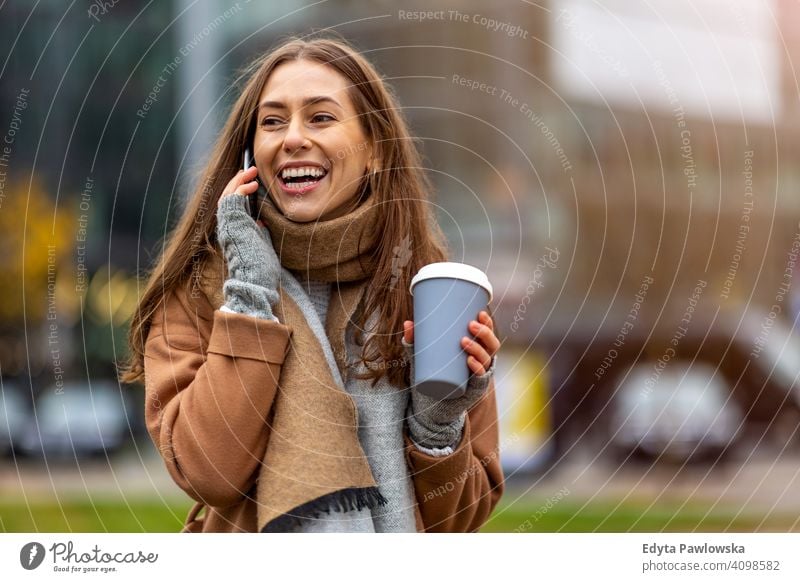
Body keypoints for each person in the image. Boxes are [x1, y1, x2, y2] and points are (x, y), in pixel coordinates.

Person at [121, 35, 503, 533]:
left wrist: (437, 423)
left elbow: (461, 520)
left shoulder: (427, 290)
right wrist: (251, 294)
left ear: (375, 152)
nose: (292, 138)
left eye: (320, 117)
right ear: (250, 155)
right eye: (273, 121)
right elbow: (207, 471)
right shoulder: (202, 289)